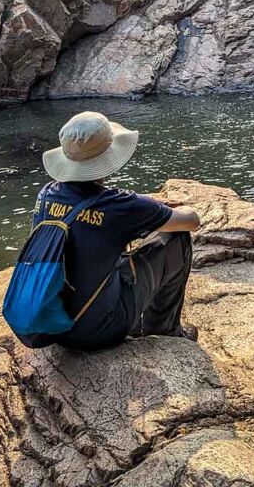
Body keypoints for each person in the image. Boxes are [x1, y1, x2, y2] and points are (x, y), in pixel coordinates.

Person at [35, 110, 200, 350]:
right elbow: (191, 221)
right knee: (178, 239)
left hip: (51, 327)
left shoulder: (47, 194)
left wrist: (143, 205)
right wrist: (165, 207)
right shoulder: (119, 206)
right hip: (102, 331)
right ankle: (164, 328)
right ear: (107, 158)